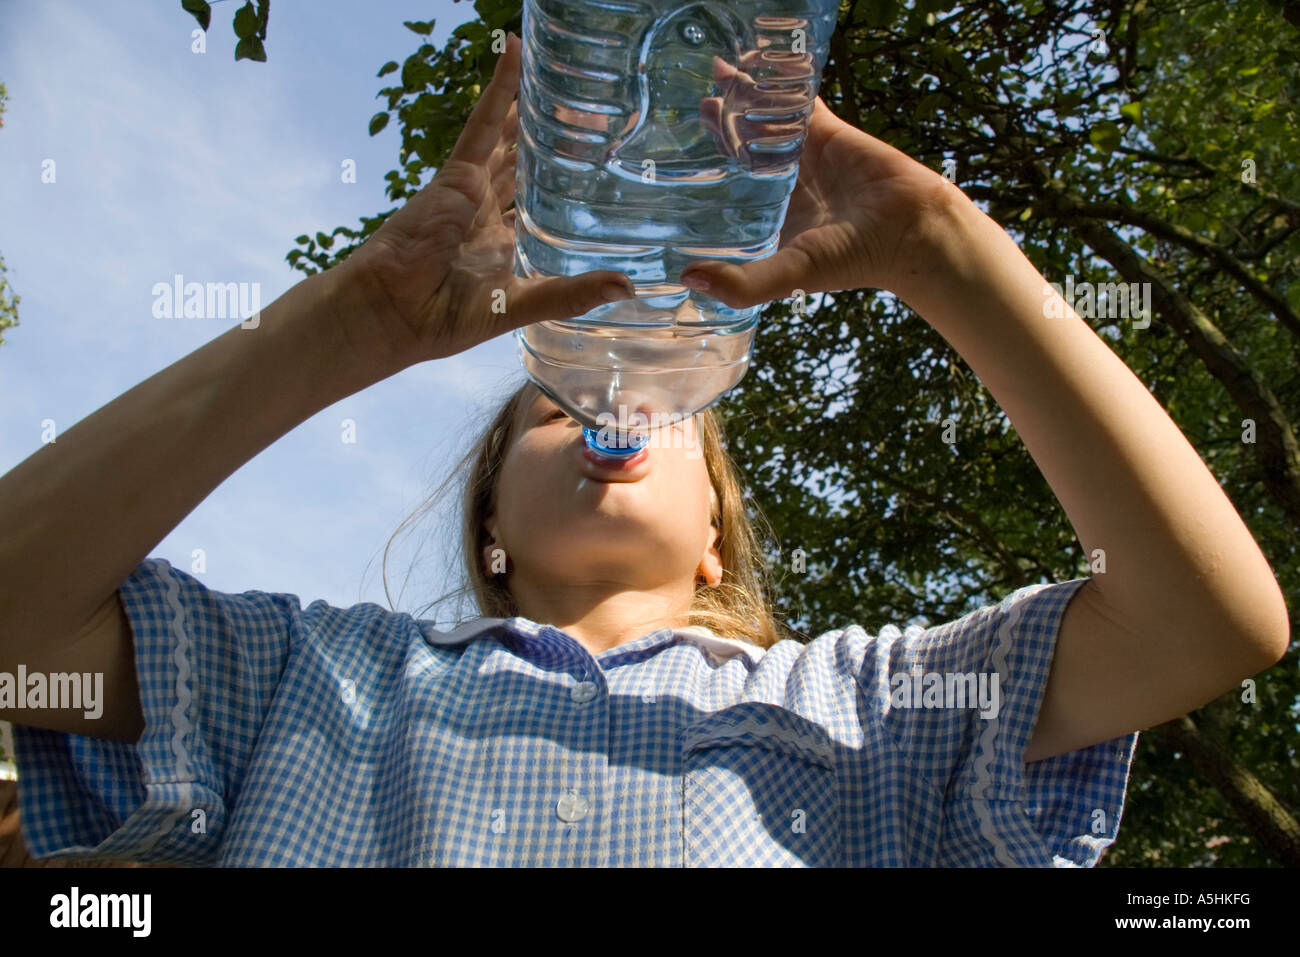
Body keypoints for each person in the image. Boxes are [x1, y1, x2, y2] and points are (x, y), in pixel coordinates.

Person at [0, 33, 1287, 868]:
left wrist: (947, 252)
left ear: (718, 529)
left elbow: (1209, 625)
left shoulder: (872, 710)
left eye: (669, 418)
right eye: (552, 410)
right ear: (488, 526)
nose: (613, 408)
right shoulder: (307, 678)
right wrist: (350, 325)